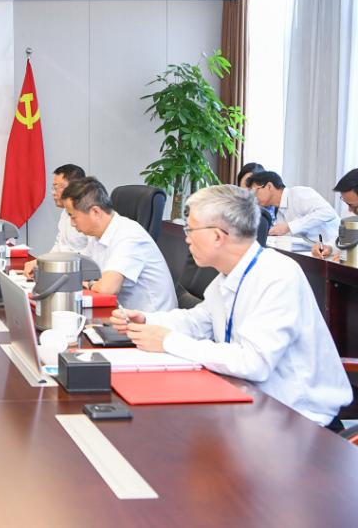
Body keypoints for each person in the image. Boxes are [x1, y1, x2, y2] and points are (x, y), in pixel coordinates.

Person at [113, 185, 351, 427]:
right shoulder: (227, 276)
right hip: (247, 402)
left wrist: (168, 341)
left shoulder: (278, 275)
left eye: (190, 229)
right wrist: (148, 320)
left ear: (217, 236)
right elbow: (200, 321)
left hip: (300, 420)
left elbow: (253, 363)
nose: (186, 238)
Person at [61, 177, 176, 312]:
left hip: (151, 320)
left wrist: (89, 283)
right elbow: (79, 269)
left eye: (73, 216)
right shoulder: (97, 236)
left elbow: (107, 288)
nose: (72, 223)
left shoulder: (129, 235)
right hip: (122, 314)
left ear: (95, 212)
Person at [23, 164, 89, 278]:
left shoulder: (88, 215)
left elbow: (90, 256)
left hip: (81, 275)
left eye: (57, 187)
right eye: (53, 187)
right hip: (65, 271)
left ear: (74, 188)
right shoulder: (65, 212)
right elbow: (59, 246)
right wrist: (41, 262)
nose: (53, 193)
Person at [246, 171, 339, 244]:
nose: (253, 197)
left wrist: (289, 227)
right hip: (312, 253)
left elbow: (328, 212)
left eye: (254, 191)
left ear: (269, 186)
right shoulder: (278, 212)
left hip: (335, 250)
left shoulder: (298, 193)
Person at [313, 168, 358, 259]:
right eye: (346, 203)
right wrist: (329, 247)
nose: (349, 210)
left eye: (352, 205)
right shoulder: (348, 213)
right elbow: (340, 238)